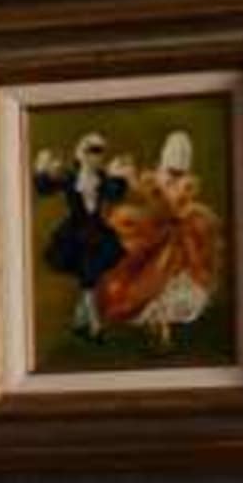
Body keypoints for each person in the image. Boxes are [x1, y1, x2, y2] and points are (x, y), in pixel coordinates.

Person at [93, 124, 221, 349]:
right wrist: (130, 182)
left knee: (170, 254)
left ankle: (158, 320)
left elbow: (173, 210)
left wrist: (146, 190)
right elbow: (152, 207)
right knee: (129, 251)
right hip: (155, 233)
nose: (173, 173)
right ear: (163, 158)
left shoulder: (187, 187)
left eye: (179, 166)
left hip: (172, 240)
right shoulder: (153, 179)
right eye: (170, 164)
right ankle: (139, 313)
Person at [35, 130, 125, 334]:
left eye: (99, 153)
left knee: (90, 276)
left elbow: (115, 194)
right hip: (75, 232)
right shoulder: (70, 176)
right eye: (91, 152)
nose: (96, 157)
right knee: (88, 275)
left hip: (98, 230)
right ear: (81, 153)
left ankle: (80, 320)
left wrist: (120, 177)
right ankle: (94, 323)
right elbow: (45, 187)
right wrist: (42, 168)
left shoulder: (102, 177)